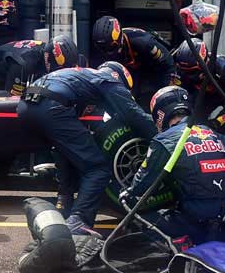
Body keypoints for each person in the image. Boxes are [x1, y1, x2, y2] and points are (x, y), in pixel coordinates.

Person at [121, 86, 225, 252]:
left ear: (160, 113)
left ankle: (176, 243)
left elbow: (142, 184)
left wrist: (127, 192)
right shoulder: (215, 134)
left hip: (193, 218)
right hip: (224, 213)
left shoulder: (164, 140)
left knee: (139, 219)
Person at [17, 62, 157, 236]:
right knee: (97, 169)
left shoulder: (79, 75)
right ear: (118, 78)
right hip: (51, 107)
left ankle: (64, 206)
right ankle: (80, 220)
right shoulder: (108, 80)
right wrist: (162, 136)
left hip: (25, 107)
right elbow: (131, 113)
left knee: (66, 153)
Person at [92, 16, 175, 106]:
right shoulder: (101, 49)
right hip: (130, 73)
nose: (108, 52)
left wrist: (168, 91)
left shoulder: (144, 43)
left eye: (112, 47)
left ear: (120, 39)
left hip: (154, 71)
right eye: (103, 48)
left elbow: (168, 63)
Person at [172, 38, 225, 126]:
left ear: (205, 61)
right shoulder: (180, 71)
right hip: (204, 97)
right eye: (185, 70)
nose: (188, 74)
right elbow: (181, 97)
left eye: (192, 71)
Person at [0, 36, 78, 96]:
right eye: (61, 68)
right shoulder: (25, 63)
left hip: (9, 74)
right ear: (48, 58)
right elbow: (13, 102)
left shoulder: (44, 55)